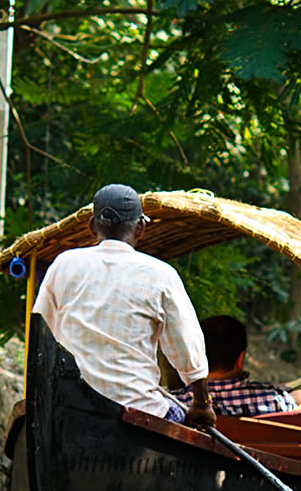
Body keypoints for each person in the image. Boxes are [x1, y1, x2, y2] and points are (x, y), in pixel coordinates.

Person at [31, 184, 215, 430]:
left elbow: (41, 332)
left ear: (93, 227)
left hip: (69, 405)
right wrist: (201, 404)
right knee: (183, 420)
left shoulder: (63, 264)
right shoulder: (161, 274)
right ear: (141, 227)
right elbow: (187, 349)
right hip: (138, 409)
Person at [175, 314, 301, 417]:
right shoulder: (270, 399)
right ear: (241, 358)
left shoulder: (177, 402)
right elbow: (293, 401)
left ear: (197, 355)